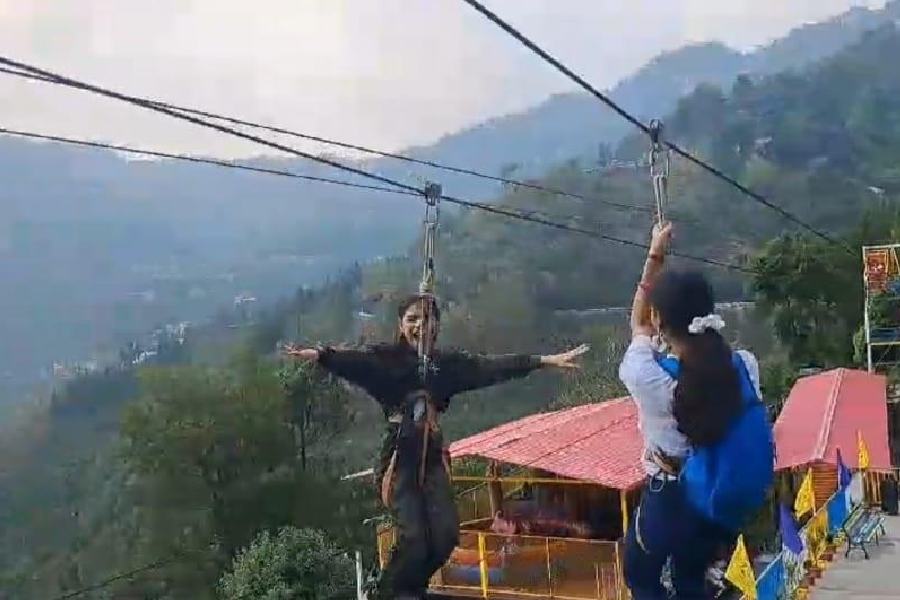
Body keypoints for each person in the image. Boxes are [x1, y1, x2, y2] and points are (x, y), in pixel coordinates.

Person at [284, 294, 588, 599]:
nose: (420, 325)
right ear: (401, 325)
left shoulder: (446, 367)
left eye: (427, 318)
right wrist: (321, 355)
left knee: (444, 536)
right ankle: (389, 591)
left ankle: (412, 587)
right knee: (414, 536)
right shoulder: (387, 362)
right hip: (400, 456)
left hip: (431, 456)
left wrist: (541, 361)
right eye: (412, 319)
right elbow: (356, 362)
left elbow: (490, 367)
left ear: (437, 326)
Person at [618, 222, 763, 599]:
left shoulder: (647, 377)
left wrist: (655, 254)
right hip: (716, 497)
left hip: (669, 497)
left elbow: (637, 322)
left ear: (661, 321)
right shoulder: (744, 365)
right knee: (690, 578)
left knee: (639, 572)